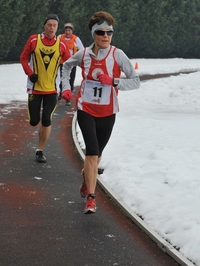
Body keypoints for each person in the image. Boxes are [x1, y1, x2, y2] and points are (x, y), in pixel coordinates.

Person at [60, 11, 140, 214]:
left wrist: (113, 81)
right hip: (86, 108)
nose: (106, 36)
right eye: (101, 32)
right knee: (92, 151)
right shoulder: (84, 54)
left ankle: (87, 178)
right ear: (93, 34)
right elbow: (66, 67)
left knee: (97, 157)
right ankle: (91, 199)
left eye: (109, 32)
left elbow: (135, 81)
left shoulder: (117, 55)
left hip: (108, 112)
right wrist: (65, 88)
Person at [20, 14, 70, 163]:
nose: (52, 28)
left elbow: (69, 61)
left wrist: (59, 65)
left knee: (47, 119)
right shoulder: (34, 40)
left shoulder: (61, 44)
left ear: (57, 27)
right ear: (44, 26)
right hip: (35, 88)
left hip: (52, 90)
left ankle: (39, 150)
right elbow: (23, 58)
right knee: (34, 121)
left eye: (54, 25)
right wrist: (30, 73)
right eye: (49, 25)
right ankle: (37, 129)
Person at [58, 23, 84, 106]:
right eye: (66, 30)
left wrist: (78, 59)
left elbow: (82, 50)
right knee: (61, 79)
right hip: (62, 62)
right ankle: (60, 93)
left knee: (71, 80)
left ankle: (68, 98)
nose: (67, 32)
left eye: (69, 30)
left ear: (72, 31)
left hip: (72, 63)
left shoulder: (76, 39)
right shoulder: (60, 37)